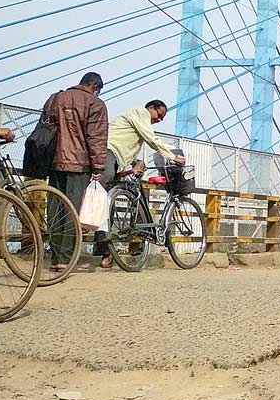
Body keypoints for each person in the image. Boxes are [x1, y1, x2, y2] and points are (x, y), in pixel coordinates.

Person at [94, 99, 183, 268]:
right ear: (151, 108)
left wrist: (135, 161)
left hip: (114, 160)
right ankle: (99, 250)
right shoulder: (140, 113)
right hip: (108, 156)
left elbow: (126, 143)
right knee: (102, 204)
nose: (159, 120)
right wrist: (173, 157)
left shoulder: (137, 121)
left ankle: (106, 253)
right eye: (159, 115)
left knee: (108, 206)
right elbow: (152, 139)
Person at [44, 72, 108, 272]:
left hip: (53, 162)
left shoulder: (55, 98)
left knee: (54, 209)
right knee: (72, 211)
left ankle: (54, 257)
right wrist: (98, 166)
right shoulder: (95, 104)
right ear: (95, 87)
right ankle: (65, 259)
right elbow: (95, 138)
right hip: (78, 165)